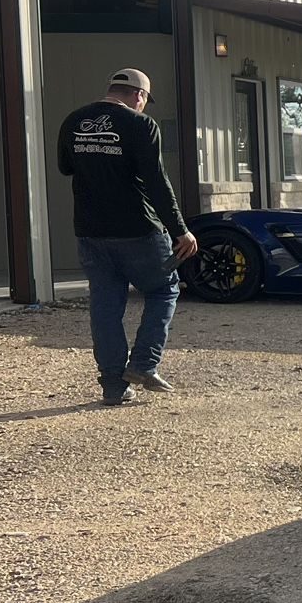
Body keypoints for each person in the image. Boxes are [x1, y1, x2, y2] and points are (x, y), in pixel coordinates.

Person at [55, 68, 198, 405]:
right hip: (138, 231)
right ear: (138, 95)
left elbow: (65, 167)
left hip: (90, 232)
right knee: (164, 290)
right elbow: (157, 182)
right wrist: (181, 231)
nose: (144, 105)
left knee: (105, 306)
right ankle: (144, 364)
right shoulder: (140, 125)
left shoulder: (74, 120)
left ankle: (113, 386)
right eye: (145, 100)